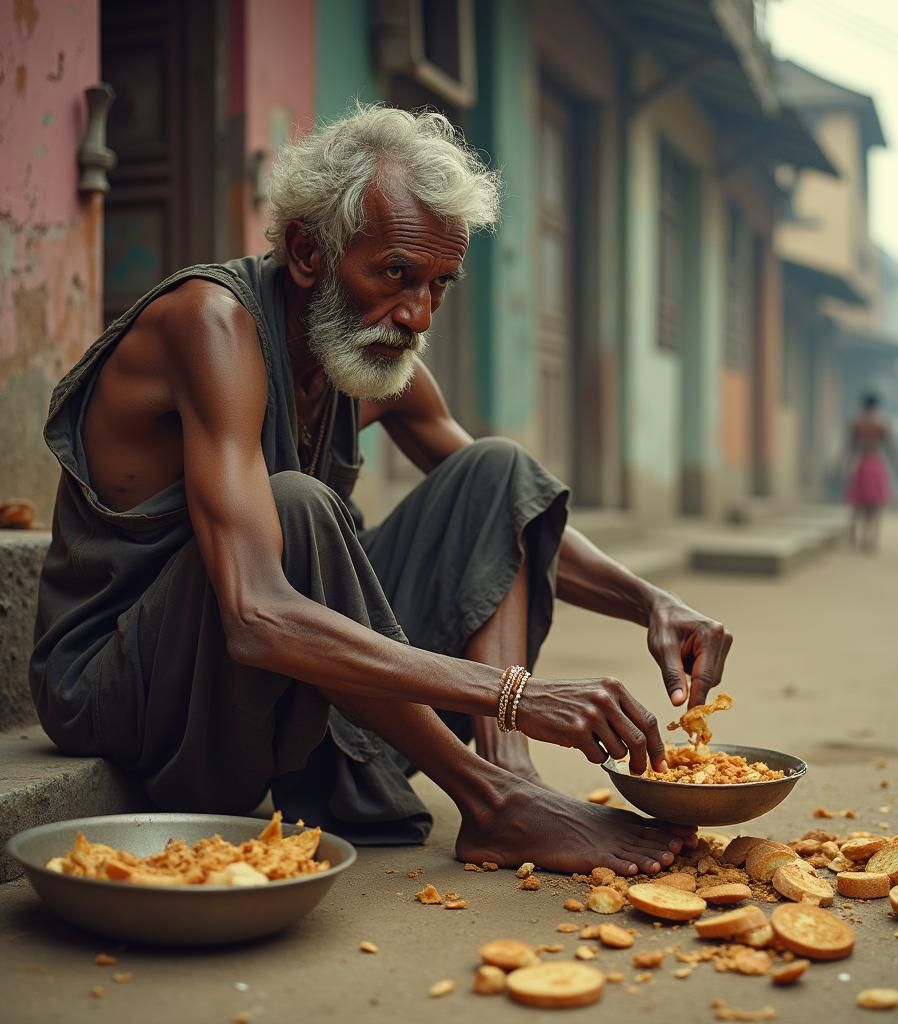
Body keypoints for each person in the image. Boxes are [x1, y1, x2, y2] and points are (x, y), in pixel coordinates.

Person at [30, 105, 733, 877]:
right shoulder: (212, 325)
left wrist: (651, 602)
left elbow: (513, 510)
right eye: (395, 273)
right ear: (307, 252)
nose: (416, 314)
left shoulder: (371, 357)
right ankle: (492, 801)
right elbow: (257, 616)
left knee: (496, 469)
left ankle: (514, 780)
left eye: (440, 284)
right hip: (130, 689)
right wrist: (511, 691)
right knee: (295, 506)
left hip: (266, 699)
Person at [844, 393, 898, 552]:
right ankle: (870, 539)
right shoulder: (881, 424)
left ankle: (853, 538)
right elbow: (891, 449)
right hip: (876, 464)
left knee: (857, 505)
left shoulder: (857, 424)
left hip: (862, 464)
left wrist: (844, 467)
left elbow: (850, 449)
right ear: (876, 406)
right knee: (875, 505)